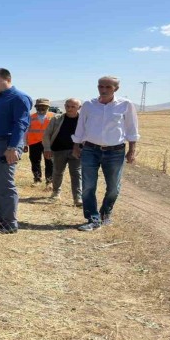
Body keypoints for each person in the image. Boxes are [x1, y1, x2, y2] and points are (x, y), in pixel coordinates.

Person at [72, 76, 140, 231]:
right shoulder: (89, 105)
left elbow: (131, 128)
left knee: (113, 187)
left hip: (115, 152)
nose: (103, 90)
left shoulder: (126, 105)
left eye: (107, 87)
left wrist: (132, 150)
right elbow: (81, 126)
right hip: (90, 149)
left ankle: (105, 213)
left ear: (116, 88)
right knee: (88, 186)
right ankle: (93, 219)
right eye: (100, 86)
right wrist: (76, 145)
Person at [0, 68, 33, 233]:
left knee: (5, 185)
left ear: (7, 80)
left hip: (4, 146)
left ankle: (9, 223)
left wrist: (12, 147)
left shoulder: (19, 98)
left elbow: (21, 124)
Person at [43, 98, 83, 206]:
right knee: (57, 172)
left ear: (79, 108)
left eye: (73, 107)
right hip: (58, 150)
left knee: (76, 173)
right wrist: (47, 148)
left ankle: (77, 198)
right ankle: (56, 193)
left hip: (77, 151)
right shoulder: (56, 119)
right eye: (67, 106)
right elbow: (47, 134)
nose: (69, 109)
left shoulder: (83, 120)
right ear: (65, 106)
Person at [23, 98, 55, 185]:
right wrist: (25, 144)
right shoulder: (30, 117)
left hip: (49, 143)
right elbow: (26, 131)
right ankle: (37, 179)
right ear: (36, 107)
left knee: (50, 162)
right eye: (39, 106)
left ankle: (49, 181)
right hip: (34, 143)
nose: (41, 108)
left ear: (48, 107)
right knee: (35, 161)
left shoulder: (54, 117)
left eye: (43, 106)